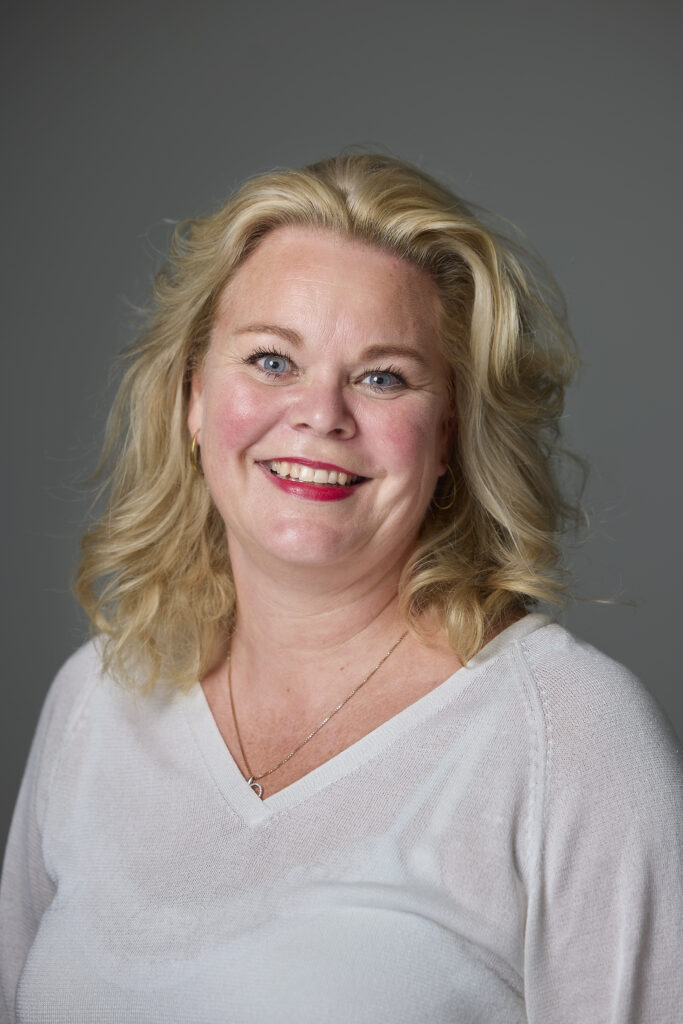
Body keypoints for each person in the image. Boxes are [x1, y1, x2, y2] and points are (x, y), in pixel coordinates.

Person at [1, 153, 680, 1023]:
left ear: (447, 437)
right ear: (192, 398)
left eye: (381, 376)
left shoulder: (568, 733)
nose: (321, 414)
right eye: (271, 360)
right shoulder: (97, 698)